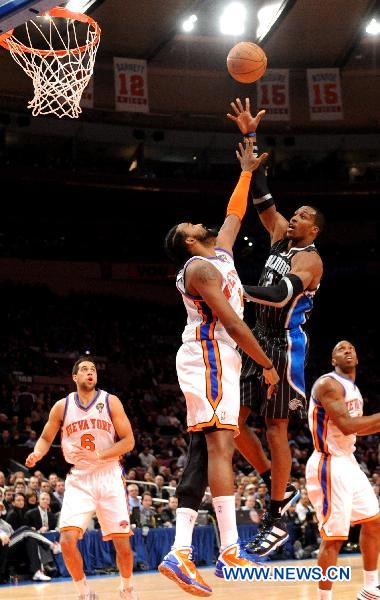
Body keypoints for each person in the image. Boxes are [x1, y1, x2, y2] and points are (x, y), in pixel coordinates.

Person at [159, 138, 279, 596]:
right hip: (208, 354)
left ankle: (181, 552)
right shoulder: (197, 268)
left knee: (204, 452)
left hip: (221, 358)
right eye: (191, 224)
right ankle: (229, 548)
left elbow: (234, 214)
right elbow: (230, 320)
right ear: (188, 240)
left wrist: (247, 170)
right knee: (220, 447)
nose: (200, 222)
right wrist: (266, 364)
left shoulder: (221, 255)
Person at [227, 97, 324, 557]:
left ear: (314, 230)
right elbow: (261, 191)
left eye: (304, 216)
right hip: (255, 340)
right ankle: (275, 485)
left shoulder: (310, 259)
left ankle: (276, 515)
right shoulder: (278, 232)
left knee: (276, 429)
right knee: (231, 426)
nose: (296, 217)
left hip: (285, 346)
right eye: (297, 212)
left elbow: (282, 294)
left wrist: (235, 288)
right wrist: (249, 139)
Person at [25, 357, 138, 600]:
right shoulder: (61, 407)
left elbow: (128, 441)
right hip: (79, 478)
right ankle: (84, 592)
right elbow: (45, 438)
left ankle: (127, 589)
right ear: (74, 377)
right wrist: (37, 452)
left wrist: (99, 454)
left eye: (93, 369)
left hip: (108, 474)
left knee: (124, 547)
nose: (90, 372)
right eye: (84, 369)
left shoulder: (110, 402)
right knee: (66, 541)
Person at [305, 340, 380, 600]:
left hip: (347, 461)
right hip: (328, 463)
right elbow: (348, 425)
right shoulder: (328, 384)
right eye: (340, 348)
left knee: (373, 521)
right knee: (334, 538)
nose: (348, 350)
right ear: (333, 360)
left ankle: (371, 588)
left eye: (351, 348)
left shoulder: (353, 389)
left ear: (357, 359)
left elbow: (358, 426)